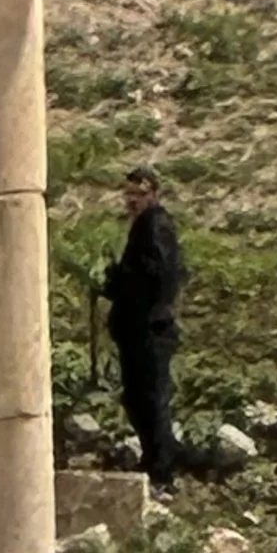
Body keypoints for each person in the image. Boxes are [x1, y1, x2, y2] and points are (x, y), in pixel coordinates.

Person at [104, 164, 183, 494]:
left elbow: (155, 278)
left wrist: (119, 282)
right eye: (128, 195)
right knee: (139, 399)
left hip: (150, 329)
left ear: (153, 194)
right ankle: (154, 462)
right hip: (139, 329)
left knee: (151, 400)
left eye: (138, 194)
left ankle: (162, 471)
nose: (131, 201)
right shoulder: (145, 227)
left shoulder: (156, 227)